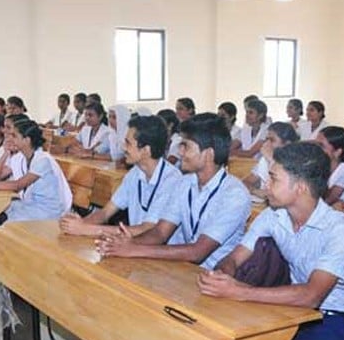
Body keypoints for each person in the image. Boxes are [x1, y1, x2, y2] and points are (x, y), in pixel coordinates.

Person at [197, 141, 344, 340]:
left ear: (300, 187)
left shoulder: (340, 230)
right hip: (287, 311)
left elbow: (312, 295)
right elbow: (235, 257)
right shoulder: (274, 217)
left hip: (332, 319)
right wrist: (222, 275)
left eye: (273, 178)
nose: (266, 184)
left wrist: (240, 291)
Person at [95, 114, 252, 270]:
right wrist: (125, 243)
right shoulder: (185, 183)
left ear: (208, 154)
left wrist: (134, 249)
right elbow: (160, 233)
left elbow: (198, 252)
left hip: (213, 276)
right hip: (181, 269)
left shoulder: (235, 195)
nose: (180, 152)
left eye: (186, 146)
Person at [61, 115, 183, 237]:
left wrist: (86, 229)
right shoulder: (134, 173)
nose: (123, 147)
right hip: (136, 246)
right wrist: (78, 224)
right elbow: (105, 212)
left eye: (128, 143)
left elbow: (147, 229)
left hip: (159, 251)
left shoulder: (171, 180)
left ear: (146, 150)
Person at [0, 119, 72, 222]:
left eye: (14, 136)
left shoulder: (42, 159)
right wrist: (6, 153)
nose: (9, 139)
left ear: (27, 140)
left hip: (46, 210)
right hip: (29, 204)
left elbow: (17, 185)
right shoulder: (21, 157)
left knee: (1, 221)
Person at [242, 122, 298, 198]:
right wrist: (254, 190)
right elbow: (246, 181)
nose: (266, 144)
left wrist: (271, 160)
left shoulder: (296, 163)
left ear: (286, 144)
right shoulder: (264, 160)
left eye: (272, 140)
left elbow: (284, 194)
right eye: (266, 139)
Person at [316, 126, 344, 206]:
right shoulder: (318, 168)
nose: (316, 149)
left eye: (321, 146)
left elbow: (327, 200)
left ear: (337, 152)